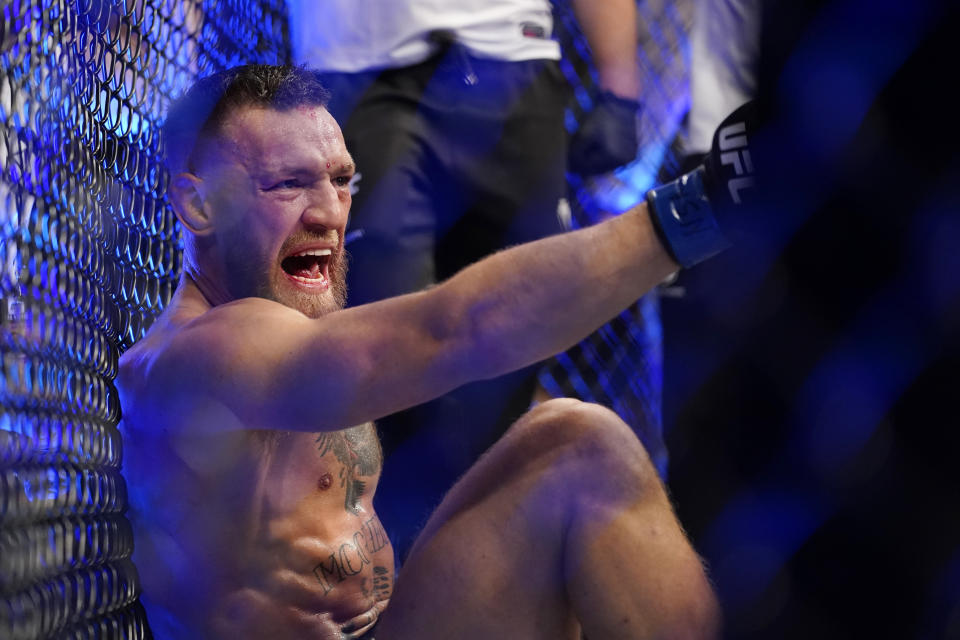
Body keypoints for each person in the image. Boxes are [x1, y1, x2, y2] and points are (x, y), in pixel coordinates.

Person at [118, 64, 746, 639]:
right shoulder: (194, 358)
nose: (329, 214)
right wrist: (702, 207)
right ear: (199, 206)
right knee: (578, 448)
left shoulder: (301, 333)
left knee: (555, 442)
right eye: (286, 185)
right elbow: (452, 330)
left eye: (341, 180)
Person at [286, 0, 648, 559]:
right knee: (385, 333)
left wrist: (620, 84)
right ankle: (403, 560)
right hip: (357, 67)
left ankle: (486, 562)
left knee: (519, 330)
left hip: (512, 57)